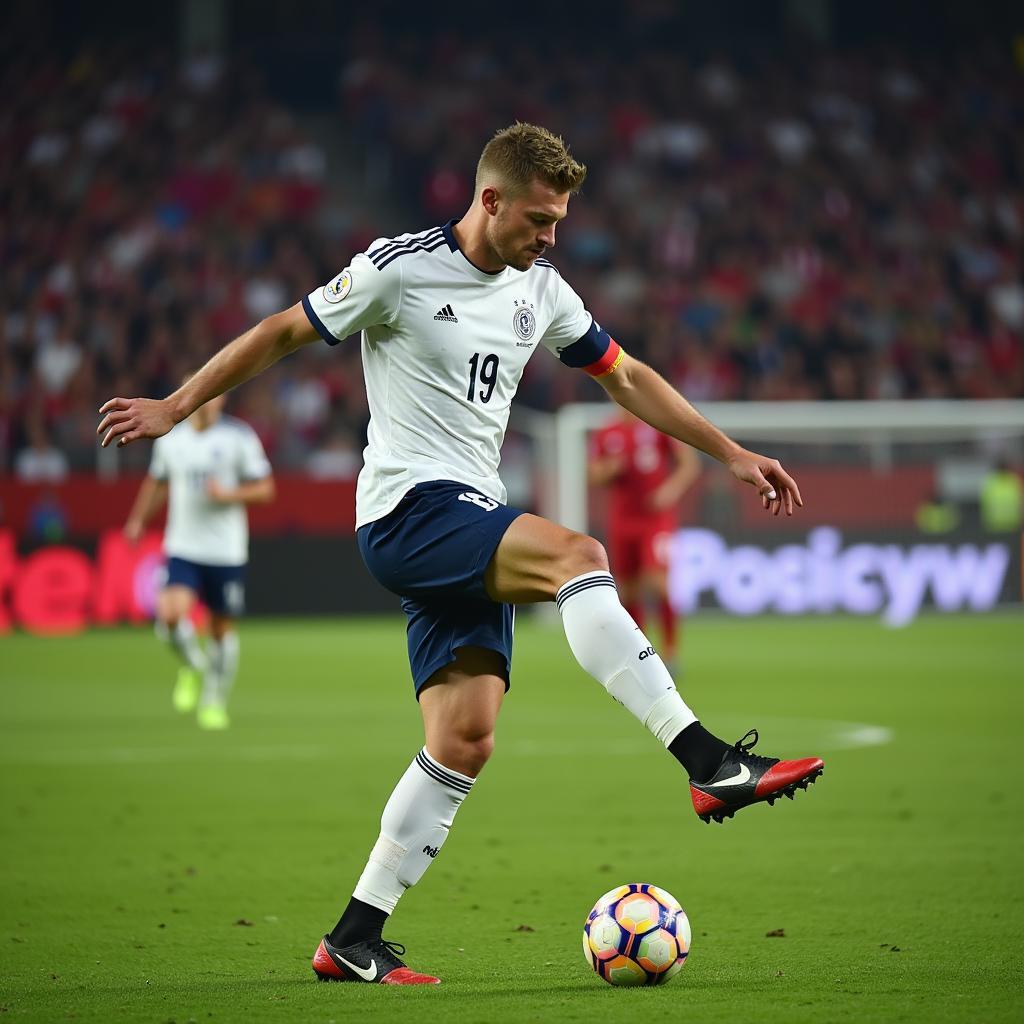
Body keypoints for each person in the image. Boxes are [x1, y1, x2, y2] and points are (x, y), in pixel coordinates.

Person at [98, 123, 823, 985]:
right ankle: (709, 763)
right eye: (540, 219)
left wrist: (730, 453)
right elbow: (282, 332)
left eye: (558, 221)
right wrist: (176, 406)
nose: (552, 236)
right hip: (406, 511)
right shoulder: (396, 270)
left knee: (465, 737)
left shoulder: (543, 289)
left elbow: (624, 375)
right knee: (577, 553)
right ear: (490, 201)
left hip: (467, 516)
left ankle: (354, 936)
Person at [122, 388, 275, 730]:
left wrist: (229, 494)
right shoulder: (171, 440)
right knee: (171, 615)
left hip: (226, 551)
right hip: (183, 547)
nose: (204, 403)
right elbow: (158, 482)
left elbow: (266, 489)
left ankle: (214, 699)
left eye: (211, 396)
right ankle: (193, 664)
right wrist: (137, 521)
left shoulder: (238, 437)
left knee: (221, 630)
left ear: (220, 399)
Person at [589, 406, 701, 666]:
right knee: (628, 591)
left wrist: (670, 491)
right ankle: (640, 654)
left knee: (658, 583)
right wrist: (609, 469)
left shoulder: (657, 424)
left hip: (655, 520)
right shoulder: (607, 431)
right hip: (622, 521)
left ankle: (671, 653)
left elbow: (689, 464)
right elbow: (594, 474)